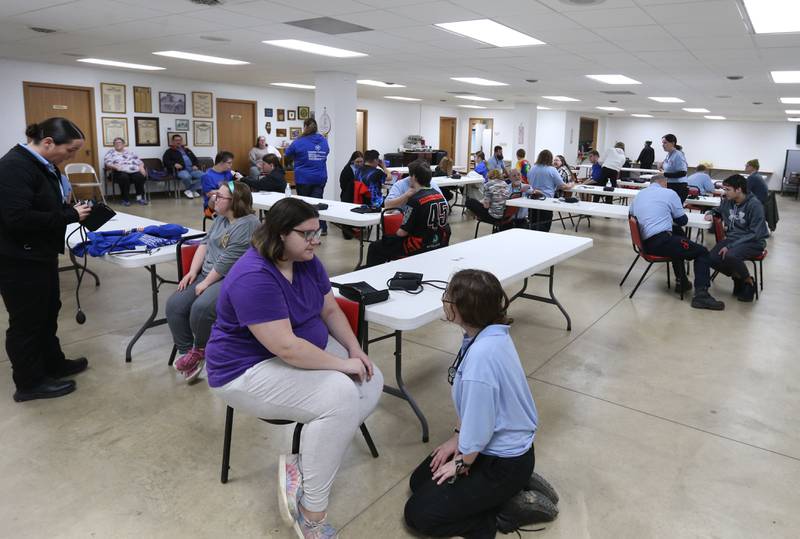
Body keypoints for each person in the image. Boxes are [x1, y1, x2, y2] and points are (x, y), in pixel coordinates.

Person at [205, 197, 383, 539]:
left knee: (373, 379)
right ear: (281, 234)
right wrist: (342, 366)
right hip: (244, 369)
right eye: (308, 234)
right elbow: (286, 348)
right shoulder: (253, 276)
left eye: (318, 232)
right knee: (341, 395)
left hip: (298, 351)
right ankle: (311, 512)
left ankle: (301, 465)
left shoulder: (306, 260)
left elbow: (330, 311)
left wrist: (355, 350)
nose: (316, 240)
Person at [404, 269, 547, 538]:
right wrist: (456, 439)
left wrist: (461, 463)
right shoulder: (486, 334)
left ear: (462, 310)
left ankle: (506, 510)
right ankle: (509, 490)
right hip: (494, 449)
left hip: (503, 462)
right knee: (420, 481)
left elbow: (481, 426)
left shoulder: (481, 359)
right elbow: (472, 409)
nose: (444, 300)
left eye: (448, 296)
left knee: (418, 514)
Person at [0, 118, 92, 402]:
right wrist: (69, 216)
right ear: (48, 142)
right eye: (70, 151)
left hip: (40, 254)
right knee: (27, 321)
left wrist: (67, 208)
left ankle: (53, 363)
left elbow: (42, 203)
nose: (72, 157)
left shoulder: (44, 165)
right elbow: (17, 218)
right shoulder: (14, 167)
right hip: (19, 259)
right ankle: (29, 383)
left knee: (47, 311)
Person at [166, 181, 259, 382]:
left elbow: (228, 261)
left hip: (231, 278)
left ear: (235, 202)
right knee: (174, 305)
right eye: (216, 194)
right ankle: (188, 354)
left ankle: (199, 350)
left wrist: (206, 282)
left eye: (220, 196)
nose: (214, 198)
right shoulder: (221, 218)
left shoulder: (247, 224)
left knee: (201, 309)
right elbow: (205, 244)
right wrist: (192, 272)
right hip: (209, 274)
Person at [629, 174, 724, 310]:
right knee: (702, 252)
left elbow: (631, 215)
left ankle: (682, 281)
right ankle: (701, 296)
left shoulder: (640, 195)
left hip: (645, 243)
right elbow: (682, 220)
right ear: (664, 183)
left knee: (678, 235)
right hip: (659, 242)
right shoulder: (669, 193)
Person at [366, 161, 450, 267]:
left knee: (375, 247)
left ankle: (372, 274)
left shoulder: (414, 200)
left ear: (414, 177)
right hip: (439, 240)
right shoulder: (438, 194)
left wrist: (389, 238)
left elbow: (402, 232)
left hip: (418, 245)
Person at [703, 174, 769, 302]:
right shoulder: (728, 202)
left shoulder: (755, 205)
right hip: (733, 240)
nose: (724, 192)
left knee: (731, 255)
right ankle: (738, 277)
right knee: (710, 258)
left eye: (728, 189)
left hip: (753, 241)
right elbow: (718, 210)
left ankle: (748, 282)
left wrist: (730, 246)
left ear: (739, 189)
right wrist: (711, 213)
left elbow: (755, 233)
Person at [285, 118, 330, 235]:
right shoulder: (323, 140)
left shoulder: (299, 141)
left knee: (304, 205)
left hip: (304, 178)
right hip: (320, 177)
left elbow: (287, 154)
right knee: (318, 203)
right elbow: (327, 152)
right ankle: (322, 228)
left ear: (305, 127)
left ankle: (306, 228)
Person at [527, 149, 574, 232]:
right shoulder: (552, 170)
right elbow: (563, 186)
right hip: (546, 200)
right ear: (550, 158)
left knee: (532, 225)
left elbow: (529, 182)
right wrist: (571, 185)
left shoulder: (532, 168)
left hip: (533, 199)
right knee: (544, 226)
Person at [103, 137, 147, 206]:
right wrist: (115, 167)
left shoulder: (130, 152)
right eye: (116, 143)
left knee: (139, 176)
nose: (117, 144)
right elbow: (107, 163)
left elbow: (140, 161)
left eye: (119, 142)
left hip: (133, 171)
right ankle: (125, 199)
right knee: (124, 177)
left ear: (123, 144)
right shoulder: (111, 153)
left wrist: (142, 168)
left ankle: (139, 198)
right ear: (114, 145)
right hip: (119, 171)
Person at [163, 134, 203, 199]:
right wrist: (174, 164)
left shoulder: (187, 150)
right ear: (172, 141)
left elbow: (195, 159)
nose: (178, 142)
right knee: (187, 177)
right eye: (176, 140)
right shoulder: (169, 151)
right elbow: (165, 161)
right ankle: (192, 190)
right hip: (181, 170)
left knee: (205, 176)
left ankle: (190, 190)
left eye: (180, 140)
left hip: (192, 169)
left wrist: (195, 165)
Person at [660, 134, 689, 203]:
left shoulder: (678, 154)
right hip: (671, 185)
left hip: (679, 186)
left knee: (674, 210)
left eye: (665, 143)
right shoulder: (669, 154)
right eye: (662, 143)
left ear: (672, 143)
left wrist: (665, 174)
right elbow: (668, 168)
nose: (663, 145)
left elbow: (683, 173)